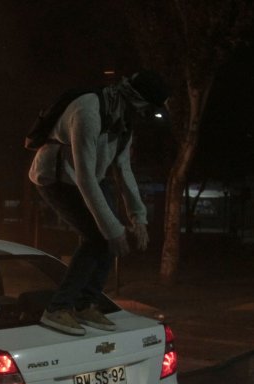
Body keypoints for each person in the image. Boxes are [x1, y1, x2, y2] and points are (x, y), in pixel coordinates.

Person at [28, 70, 170, 335]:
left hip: (92, 175)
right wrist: (113, 230)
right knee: (97, 237)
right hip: (57, 178)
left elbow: (123, 168)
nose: (146, 115)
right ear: (137, 100)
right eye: (147, 108)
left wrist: (138, 217)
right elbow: (85, 179)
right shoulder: (88, 112)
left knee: (107, 235)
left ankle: (84, 304)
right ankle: (58, 308)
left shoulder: (124, 118)